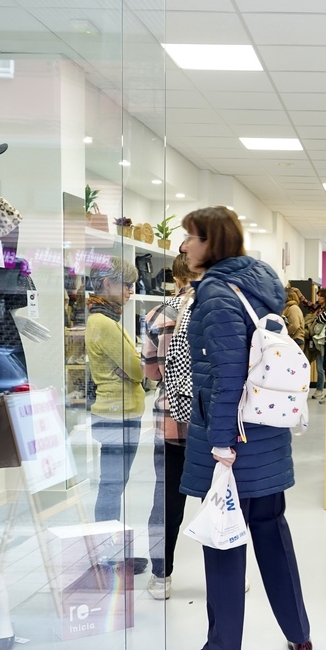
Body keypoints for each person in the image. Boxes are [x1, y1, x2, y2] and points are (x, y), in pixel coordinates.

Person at [170, 206, 311, 650]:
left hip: (234, 440)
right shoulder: (261, 282)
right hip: (267, 433)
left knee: (224, 539)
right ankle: (299, 632)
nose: (184, 245)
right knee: (272, 532)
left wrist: (221, 445)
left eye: (191, 236)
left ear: (213, 241)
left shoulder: (214, 292)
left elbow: (227, 374)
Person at [142, 253, 196, 600]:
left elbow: (150, 372)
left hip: (171, 421)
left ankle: (162, 576)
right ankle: (230, 575)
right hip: (212, 424)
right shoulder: (219, 313)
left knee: (166, 500)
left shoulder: (158, 315)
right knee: (222, 500)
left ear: (175, 279)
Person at [87, 256, 145, 524]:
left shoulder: (103, 319)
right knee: (112, 486)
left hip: (116, 412)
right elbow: (137, 369)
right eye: (127, 285)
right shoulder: (105, 324)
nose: (130, 291)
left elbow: (132, 367)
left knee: (114, 484)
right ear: (108, 283)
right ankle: (106, 552)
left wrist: (133, 367)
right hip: (117, 414)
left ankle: (110, 548)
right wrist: (136, 369)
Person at [309, 287, 326, 402]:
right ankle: (320, 390)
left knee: (322, 367)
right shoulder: (319, 307)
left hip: (324, 339)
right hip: (317, 339)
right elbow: (308, 304)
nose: (318, 298)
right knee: (320, 366)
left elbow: (321, 319)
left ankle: (321, 390)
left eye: (321, 296)